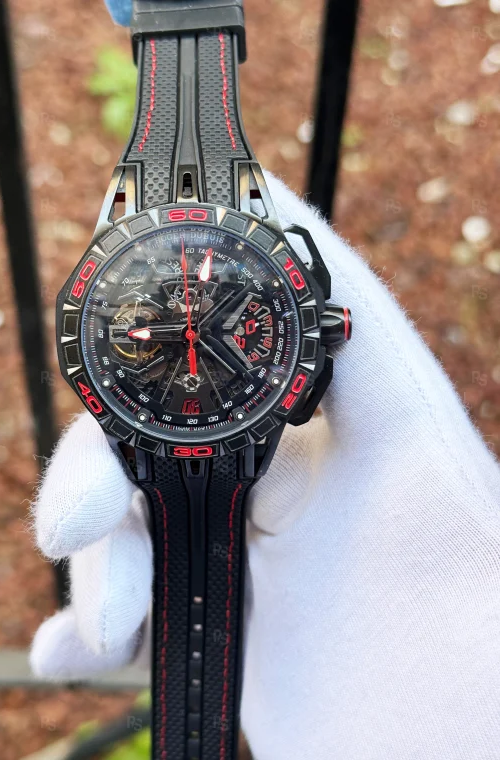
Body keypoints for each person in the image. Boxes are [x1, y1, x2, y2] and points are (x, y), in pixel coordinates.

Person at [30, 4, 500, 758]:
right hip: (178, 428)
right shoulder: (252, 305)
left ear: (321, 326)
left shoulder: (244, 309)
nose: (190, 335)